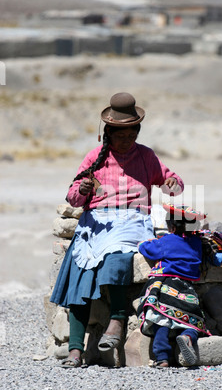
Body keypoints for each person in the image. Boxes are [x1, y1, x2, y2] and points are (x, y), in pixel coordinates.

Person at [50, 92, 184, 368]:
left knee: (117, 256)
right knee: (80, 270)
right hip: (97, 222)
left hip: (132, 221)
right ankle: (75, 349)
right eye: (120, 135)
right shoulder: (94, 158)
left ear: (137, 131)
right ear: (108, 133)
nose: (126, 140)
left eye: (131, 135)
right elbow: (73, 197)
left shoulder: (146, 157)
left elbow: (173, 181)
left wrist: (172, 185)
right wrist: (83, 189)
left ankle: (117, 320)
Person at [136, 204, 210, 368]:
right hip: (187, 290)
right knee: (192, 322)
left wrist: (143, 243)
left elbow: (148, 249)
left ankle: (162, 358)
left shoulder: (167, 241)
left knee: (160, 320)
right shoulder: (196, 243)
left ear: (172, 226)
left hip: (165, 287)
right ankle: (187, 337)